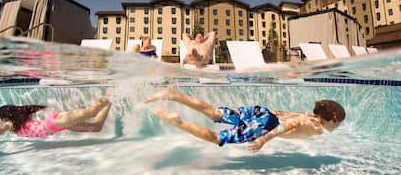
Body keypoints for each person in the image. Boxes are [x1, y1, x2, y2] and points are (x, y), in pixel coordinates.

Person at [145, 86, 345, 153]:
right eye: (339, 122)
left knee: (215, 113)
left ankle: (174, 94)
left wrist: (267, 117)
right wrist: (263, 140)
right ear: (333, 118)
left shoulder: (308, 115)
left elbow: (284, 114)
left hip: (263, 113)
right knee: (217, 138)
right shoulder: (316, 126)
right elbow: (287, 125)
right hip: (267, 125)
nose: (338, 126)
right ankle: (177, 122)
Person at [0, 98, 112, 144]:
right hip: (58, 125)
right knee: (96, 126)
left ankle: (110, 95)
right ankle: (110, 102)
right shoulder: (14, 124)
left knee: (92, 112)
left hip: (56, 123)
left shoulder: (9, 125)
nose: (1, 121)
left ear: (6, 117)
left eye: (1, 118)